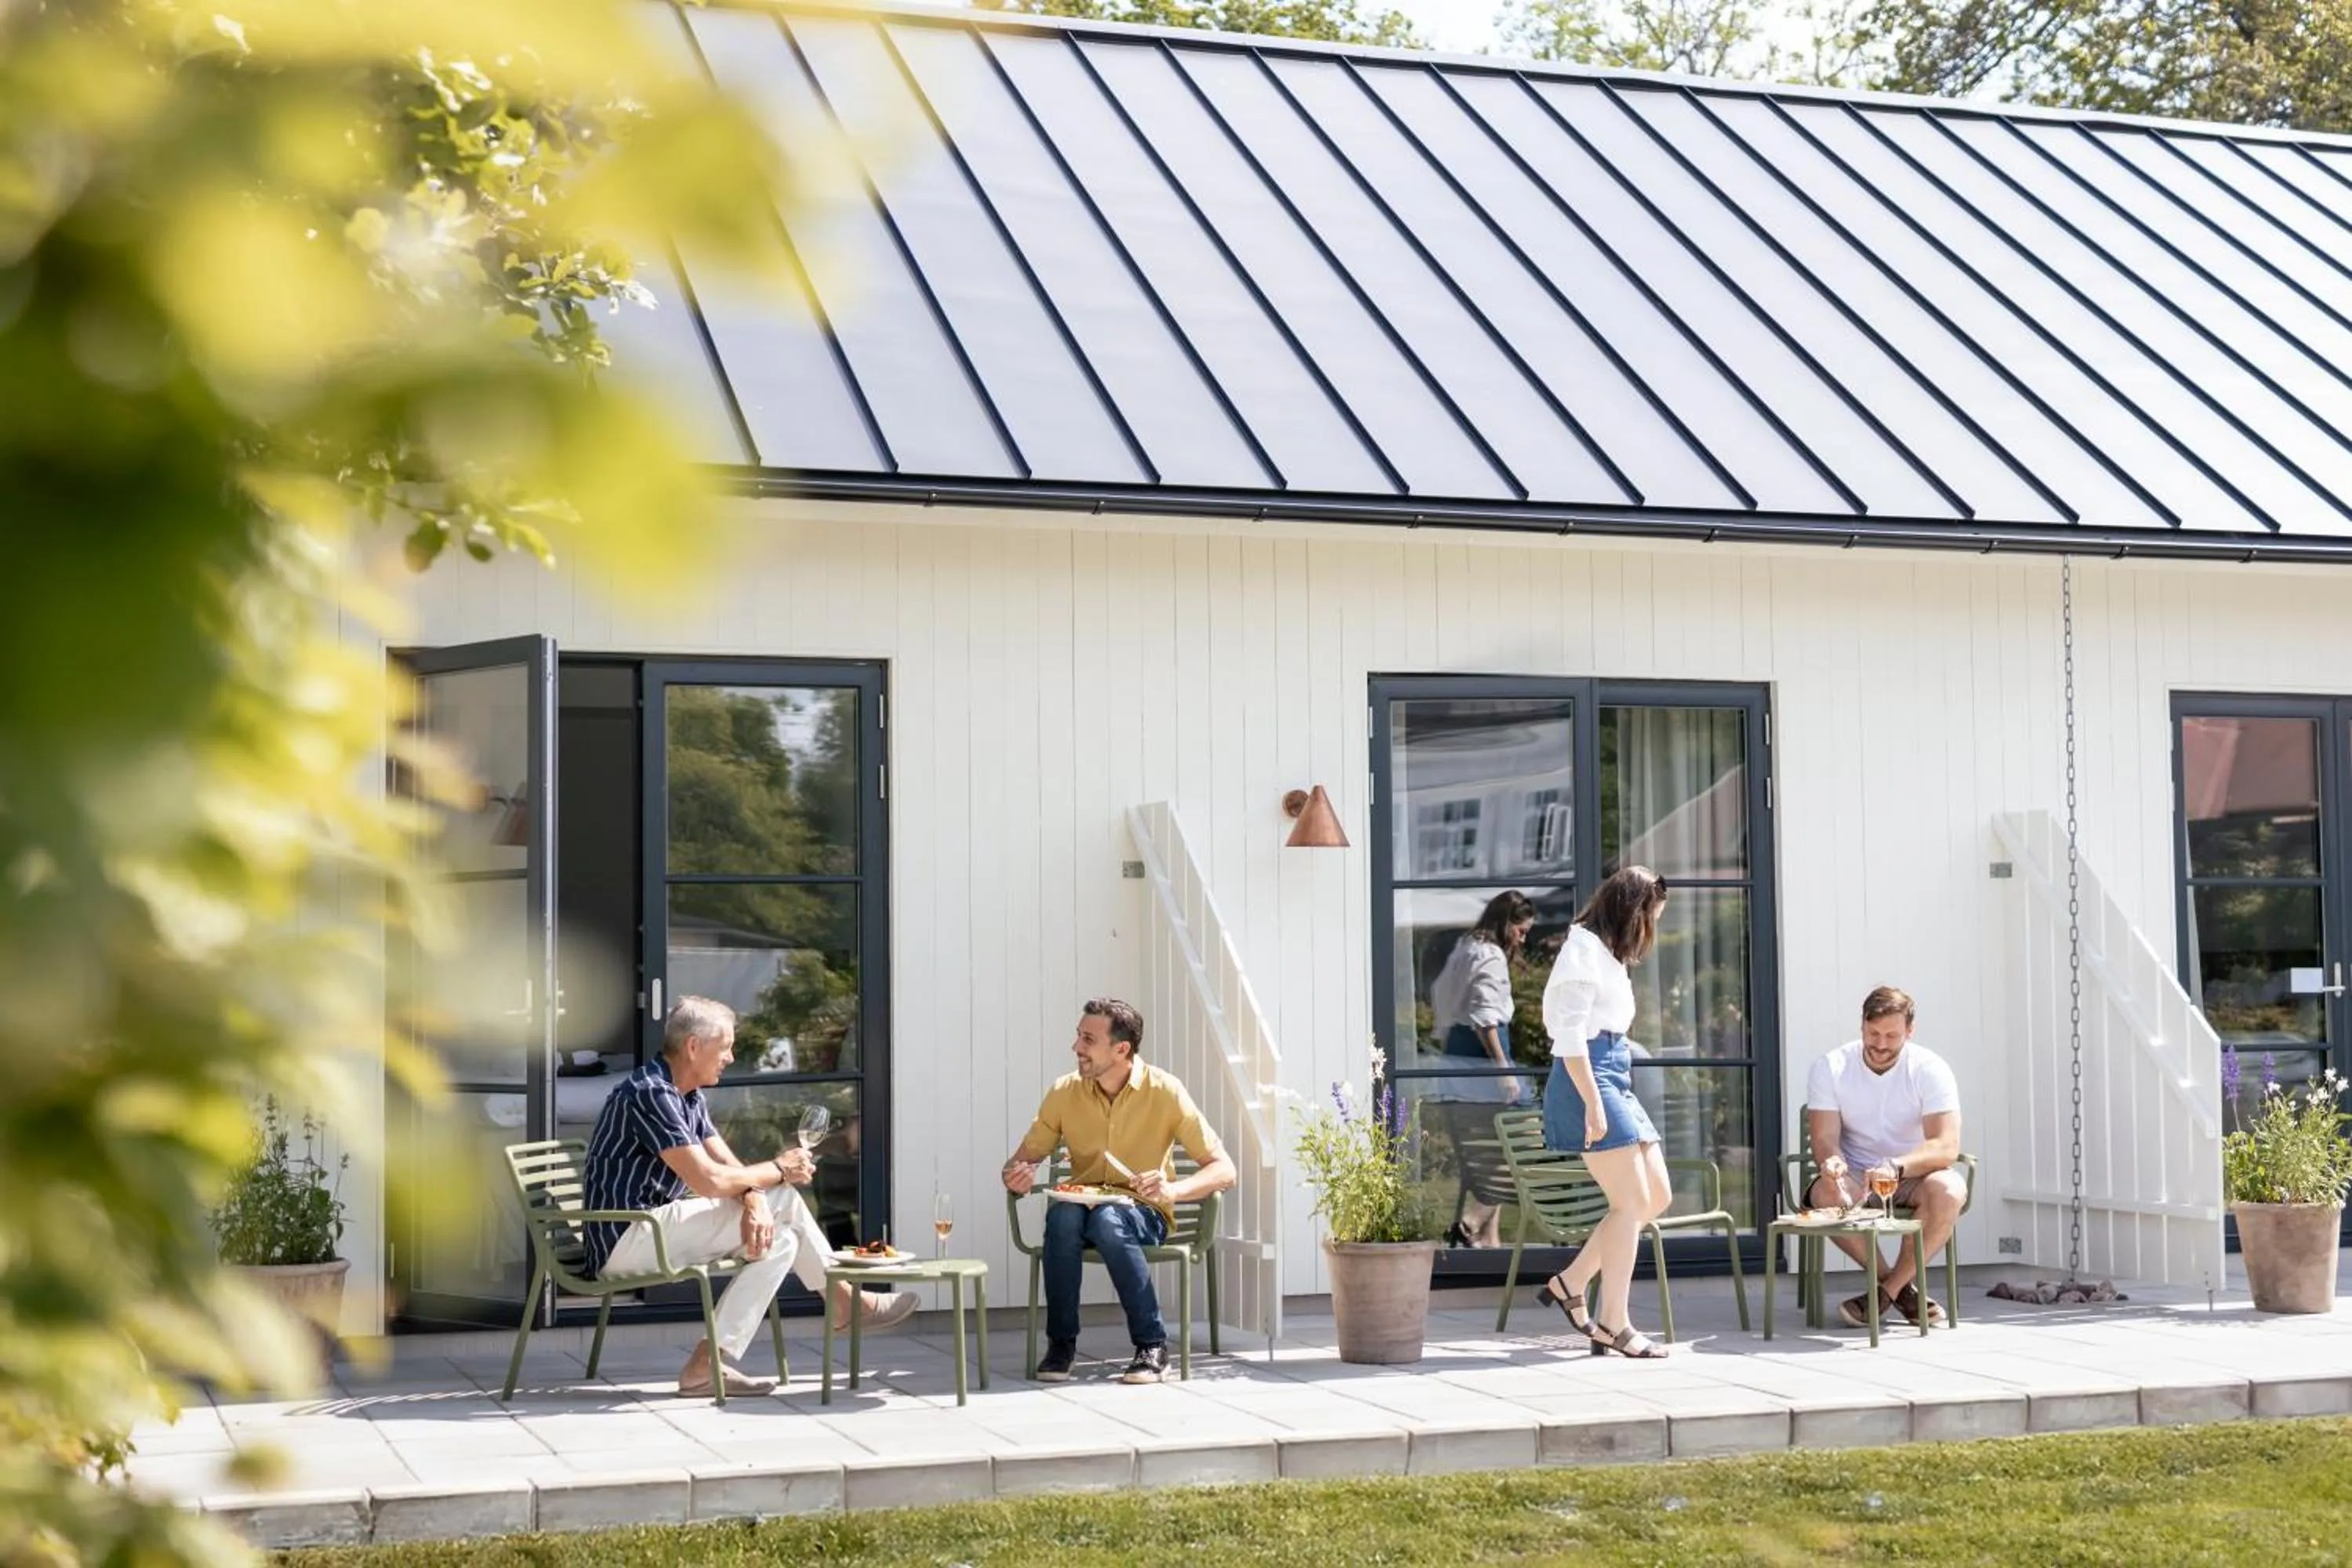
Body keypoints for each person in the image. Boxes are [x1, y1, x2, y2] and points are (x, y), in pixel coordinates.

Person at [582, 996, 913, 1398]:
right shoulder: (651, 1094)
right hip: (628, 1237)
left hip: (656, 1227)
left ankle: (706, 1365)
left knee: (782, 1240)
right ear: (693, 1046)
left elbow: (727, 1164)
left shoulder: (687, 1095)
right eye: (725, 1047)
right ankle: (845, 1302)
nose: (731, 1057)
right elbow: (707, 1180)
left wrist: (755, 1198)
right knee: (786, 1198)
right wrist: (779, 1170)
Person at [1001, 999, 1236, 1385]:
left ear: (1121, 1049)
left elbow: (1225, 1169)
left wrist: (1173, 1190)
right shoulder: (1065, 1092)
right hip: (1081, 1208)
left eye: (1088, 1039)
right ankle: (1062, 1345)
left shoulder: (1165, 1091)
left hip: (1144, 1212)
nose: (1076, 1047)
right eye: (1079, 1036)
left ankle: (1152, 1345)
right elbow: (1017, 1163)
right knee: (1063, 1215)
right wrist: (1016, 1177)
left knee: (1109, 1220)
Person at [1534, 865, 1674, 1360]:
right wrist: (1594, 1101)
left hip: (1615, 1072)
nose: (1650, 928)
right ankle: (1613, 1323)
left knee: (1656, 1195)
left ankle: (1571, 1282)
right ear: (1631, 910)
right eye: (1650, 916)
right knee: (1631, 1202)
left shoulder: (1609, 956)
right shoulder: (1581, 950)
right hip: (1585, 1076)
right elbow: (1569, 1034)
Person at [1806, 985, 1965, 1329]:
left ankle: (1886, 1291)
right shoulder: (1831, 1066)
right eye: (1873, 1033)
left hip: (1914, 1174)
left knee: (1949, 1190)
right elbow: (1824, 1138)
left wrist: (1897, 1166)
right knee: (1825, 1193)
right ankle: (1900, 1288)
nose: (1880, 1044)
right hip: (1856, 1174)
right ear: (1862, 1025)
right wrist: (1832, 1162)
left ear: (1911, 1030)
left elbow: (1946, 1145)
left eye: (1892, 1035)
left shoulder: (1930, 1069)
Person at [1427, 891, 1535, 1247]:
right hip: (1482, 1063)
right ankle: (1473, 1222)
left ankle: (1490, 1239)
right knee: (1522, 1148)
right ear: (1506, 925)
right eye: (1520, 931)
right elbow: (1485, 1019)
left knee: (1490, 1154)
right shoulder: (1490, 955)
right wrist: (1504, 1070)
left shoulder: (1465, 947)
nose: (1523, 938)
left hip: (1458, 1060)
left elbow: (1439, 994)